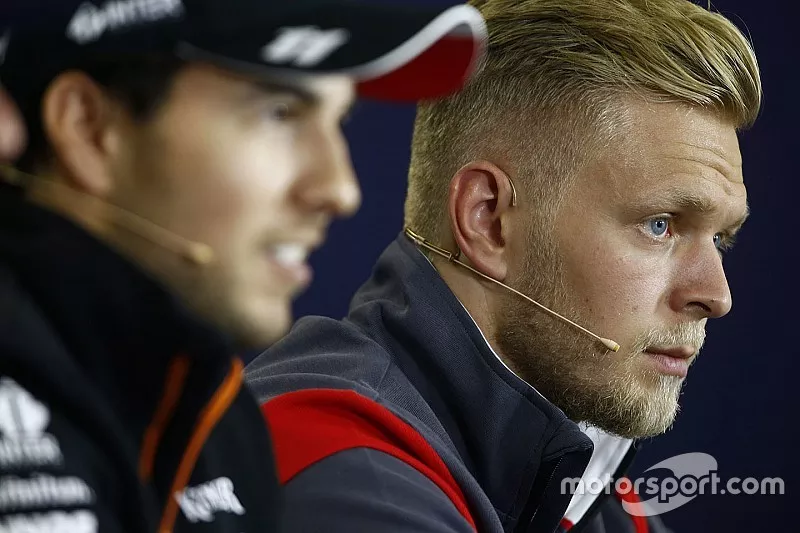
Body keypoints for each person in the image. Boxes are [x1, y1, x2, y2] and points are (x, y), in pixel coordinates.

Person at [246, 0, 763, 531]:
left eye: (719, 239)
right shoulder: (336, 468)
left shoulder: (588, 490)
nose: (716, 295)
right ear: (489, 220)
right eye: (660, 224)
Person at [0, 0, 486, 531]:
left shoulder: (213, 410)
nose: (340, 190)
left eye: (340, 120)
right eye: (280, 112)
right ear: (90, 128)